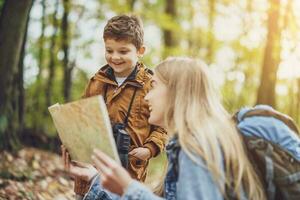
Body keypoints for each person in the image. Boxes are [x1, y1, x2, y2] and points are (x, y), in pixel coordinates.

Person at [66, 57, 266, 200]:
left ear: (176, 93)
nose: (147, 97)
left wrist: (127, 188)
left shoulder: (196, 146)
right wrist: (95, 178)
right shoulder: (195, 141)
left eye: (153, 86)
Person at [62, 14, 168, 199]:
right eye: (109, 50)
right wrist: (73, 140)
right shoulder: (96, 81)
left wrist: (149, 149)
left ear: (140, 50)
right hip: (92, 165)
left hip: (127, 171)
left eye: (123, 51)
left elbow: (162, 127)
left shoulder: (151, 86)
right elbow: (80, 117)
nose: (115, 57)